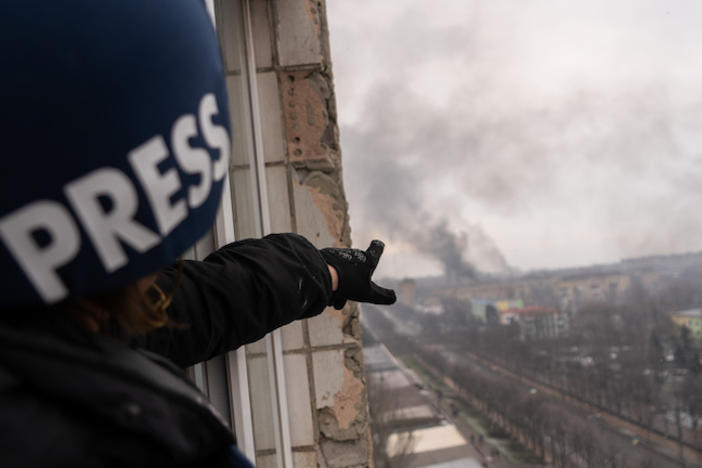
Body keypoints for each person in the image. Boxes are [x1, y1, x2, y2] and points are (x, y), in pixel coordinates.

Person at [0, 1, 396, 467]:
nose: (151, 277)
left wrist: (319, 271)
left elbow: (174, 312)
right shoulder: (110, 440)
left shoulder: (44, 329)